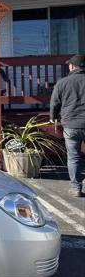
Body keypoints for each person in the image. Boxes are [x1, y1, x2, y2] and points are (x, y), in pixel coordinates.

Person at [50, 54, 85, 197]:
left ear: (72, 66)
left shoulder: (62, 83)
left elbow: (55, 103)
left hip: (71, 125)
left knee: (73, 157)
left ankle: (76, 188)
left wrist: (53, 118)